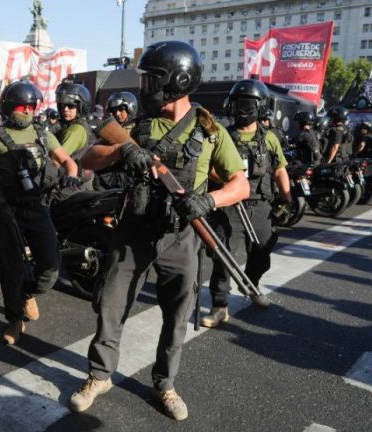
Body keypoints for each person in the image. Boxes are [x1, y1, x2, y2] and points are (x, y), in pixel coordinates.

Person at [69, 41, 250, 421]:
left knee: (178, 314)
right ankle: (99, 376)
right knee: (111, 305)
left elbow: (240, 184)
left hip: (181, 235)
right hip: (133, 229)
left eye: (153, 78)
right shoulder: (137, 123)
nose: (146, 85)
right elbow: (87, 158)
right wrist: (122, 152)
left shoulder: (211, 130)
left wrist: (209, 201)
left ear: (178, 81)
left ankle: (164, 384)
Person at [0, 80, 79, 345]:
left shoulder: (43, 133)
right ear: (10, 107)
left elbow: (67, 160)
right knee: (11, 270)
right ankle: (14, 319)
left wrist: (72, 175)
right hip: (8, 211)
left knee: (51, 267)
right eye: (23, 106)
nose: (29, 111)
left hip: (38, 207)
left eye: (33, 106)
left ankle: (26, 294)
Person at [201, 79, 291, 329]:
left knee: (263, 253)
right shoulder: (221, 135)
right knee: (223, 256)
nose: (240, 108)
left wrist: (288, 199)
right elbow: (207, 168)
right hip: (230, 205)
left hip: (260, 205)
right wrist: (229, 180)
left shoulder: (269, 138)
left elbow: (280, 169)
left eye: (245, 104)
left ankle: (251, 285)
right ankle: (220, 307)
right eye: (237, 102)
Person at [92, 91, 138, 190]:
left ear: (131, 109)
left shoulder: (137, 129)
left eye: (121, 109)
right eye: (114, 110)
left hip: (127, 178)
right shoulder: (112, 129)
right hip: (111, 176)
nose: (117, 113)